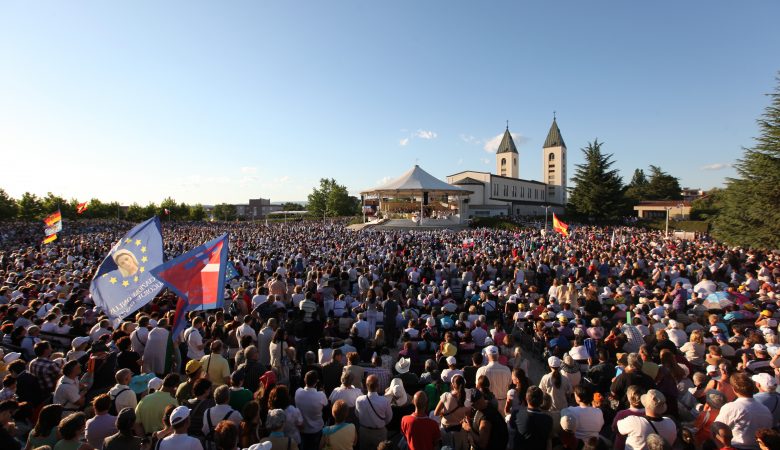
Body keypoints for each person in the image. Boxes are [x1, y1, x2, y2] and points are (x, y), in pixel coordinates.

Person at [713, 372, 773, 450]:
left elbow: (718, 429)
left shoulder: (731, 407)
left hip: (738, 447)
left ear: (734, 389)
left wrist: (726, 446)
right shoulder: (765, 409)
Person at [355, 375, 392, 450]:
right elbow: (389, 418)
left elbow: (357, 414)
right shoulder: (384, 401)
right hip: (379, 432)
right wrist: (380, 423)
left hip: (364, 432)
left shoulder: (359, 400)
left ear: (366, 385)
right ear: (378, 386)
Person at [434, 374, 468, 450]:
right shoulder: (466, 398)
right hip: (459, 431)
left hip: (445, 430)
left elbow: (436, 413)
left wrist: (443, 411)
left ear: (452, 384)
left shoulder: (446, 396)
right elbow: (467, 414)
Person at [294, 371, 327, 450]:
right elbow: (326, 404)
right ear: (316, 382)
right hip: (316, 430)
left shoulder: (298, 392)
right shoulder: (321, 395)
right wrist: (323, 393)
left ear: (305, 380)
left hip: (302, 430)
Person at [512, 386, 552, 450]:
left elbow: (512, 430)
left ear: (526, 398)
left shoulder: (516, 414)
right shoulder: (548, 419)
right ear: (541, 401)